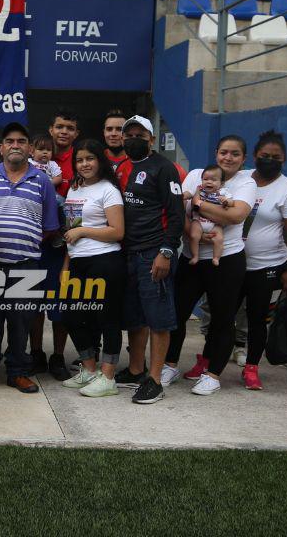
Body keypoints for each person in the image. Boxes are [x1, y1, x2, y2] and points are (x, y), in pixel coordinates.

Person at [0, 122, 59, 394]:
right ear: (1, 147)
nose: (15, 145)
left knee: (22, 321)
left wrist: (24, 242)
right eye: (10, 141)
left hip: (27, 265)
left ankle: (18, 372)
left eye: (21, 141)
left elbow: (50, 226)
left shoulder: (42, 181)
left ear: (30, 148)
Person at [165, 135, 256, 396]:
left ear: (243, 158)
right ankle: (169, 365)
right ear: (216, 153)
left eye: (235, 154)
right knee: (177, 314)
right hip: (192, 258)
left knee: (222, 319)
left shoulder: (245, 182)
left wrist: (198, 204)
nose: (228, 158)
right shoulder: (195, 174)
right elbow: (177, 210)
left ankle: (213, 374)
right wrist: (193, 229)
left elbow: (236, 215)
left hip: (226, 259)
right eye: (224, 152)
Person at [114, 115, 184, 404]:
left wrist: (166, 252)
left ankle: (154, 379)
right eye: (128, 134)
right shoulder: (122, 167)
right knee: (135, 317)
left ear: (151, 139)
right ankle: (135, 369)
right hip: (128, 253)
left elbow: (177, 214)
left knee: (158, 318)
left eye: (139, 135)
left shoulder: (165, 168)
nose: (132, 139)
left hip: (154, 254)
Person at [237, 130, 287, 391]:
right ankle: (211, 364)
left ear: (284, 160)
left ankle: (251, 368)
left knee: (257, 319)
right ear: (254, 156)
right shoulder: (241, 179)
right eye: (264, 156)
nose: (269, 160)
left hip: (266, 267)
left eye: (275, 157)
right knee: (223, 316)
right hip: (233, 263)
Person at [59, 140, 125, 398]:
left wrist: (84, 230)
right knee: (71, 315)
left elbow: (118, 231)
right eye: (79, 160)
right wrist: (66, 265)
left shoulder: (108, 190)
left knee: (107, 319)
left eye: (90, 158)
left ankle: (108, 377)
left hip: (105, 261)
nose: (84, 164)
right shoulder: (75, 189)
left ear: (100, 160)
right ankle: (88, 369)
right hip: (78, 262)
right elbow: (70, 232)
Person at [30, 109, 79, 381]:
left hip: (62, 246)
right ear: (50, 129)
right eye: (59, 126)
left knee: (61, 303)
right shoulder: (32, 156)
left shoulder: (80, 159)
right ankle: (36, 353)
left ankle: (58, 356)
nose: (64, 132)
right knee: (33, 303)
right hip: (36, 242)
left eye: (69, 128)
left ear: (76, 133)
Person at [185, 165, 231, 266]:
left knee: (219, 239)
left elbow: (231, 202)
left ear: (221, 183)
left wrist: (226, 202)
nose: (209, 182)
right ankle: (195, 256)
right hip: (199, 220)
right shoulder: (200, 190)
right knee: (193, 236)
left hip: (214, 223)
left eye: (213, 180)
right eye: (205, 179)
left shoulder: (223, 192)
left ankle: (216, 258)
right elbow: (194, 200)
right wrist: (195, 192)